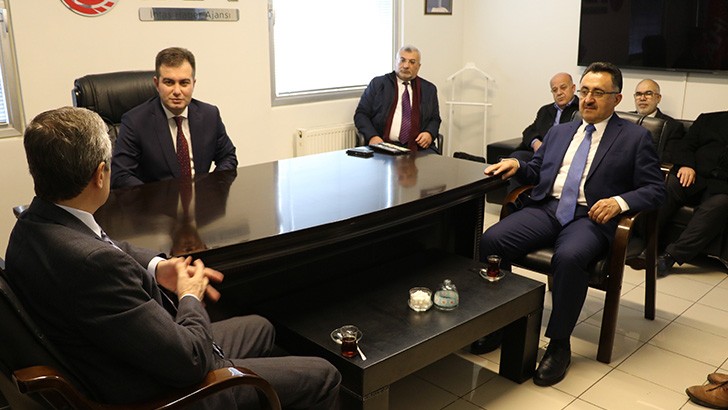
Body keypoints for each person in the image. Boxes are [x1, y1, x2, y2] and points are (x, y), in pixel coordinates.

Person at [6, 106, 340, 409]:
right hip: (164, 391)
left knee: (261, 328)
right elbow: (191, 359)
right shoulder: (93, 265)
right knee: (324, 374)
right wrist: (189, 295)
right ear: (100, 174)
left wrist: (158, 266)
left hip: (123, 353)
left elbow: (106, 245)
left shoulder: (31, 226)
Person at [480, 62, 665, 386]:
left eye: (598, 93)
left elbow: (655, 189)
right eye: (584, 91)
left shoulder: (635, 138)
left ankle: (559, 343)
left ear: (617, 99)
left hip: (591, 216)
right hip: (548, 209)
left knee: (569, 257)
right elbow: (538, 170)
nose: (588, 99)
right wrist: (518, 164)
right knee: (491, 240)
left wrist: (619, 202)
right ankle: (500, 322)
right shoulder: (560, 131)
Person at [111, 47, 238, 189]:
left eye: (184, 83)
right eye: (169, 82)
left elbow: (228, 157)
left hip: (202, 200)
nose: (177, 91)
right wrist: (153, 198)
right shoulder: (135, 122)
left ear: (193, 84)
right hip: (156, 201)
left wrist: (211, 188)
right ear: (156, 84)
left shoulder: (210, 115)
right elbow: (121, 175)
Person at [655, 110, 728, 277]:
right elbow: (685, 146)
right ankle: (645, 241)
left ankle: (671, 256)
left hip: (723, 187)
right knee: (668, 186)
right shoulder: (708, 119)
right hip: (694, 175)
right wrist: (686, 165)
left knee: (717, 206)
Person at [354, 45, 441, 152]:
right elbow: (361, 114)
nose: (406, 66)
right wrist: (372, 136)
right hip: (384, 145)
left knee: (436, 162)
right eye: (402, 60)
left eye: (412, 62)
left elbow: (435, 118)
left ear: (418, 66)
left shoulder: (429, 89)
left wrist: (429, 133)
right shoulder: (378, 84)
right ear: (395, 62)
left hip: (419, 148)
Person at [510, 72, 580, 163]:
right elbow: (529, 130)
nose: (559, 93)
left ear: (573, 88)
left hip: (563, 156)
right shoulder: (545, 110)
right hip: (541, 155)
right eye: (554, 90)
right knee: (515, 159)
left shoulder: (581, 110)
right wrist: (535, 143)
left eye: (563, 88)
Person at [633, 79, 684, 163]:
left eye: (648, 93)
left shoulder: (672, 127)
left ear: (658, 98)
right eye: (638, 94)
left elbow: (667, 158)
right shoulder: (623, 119)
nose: (642, 98)